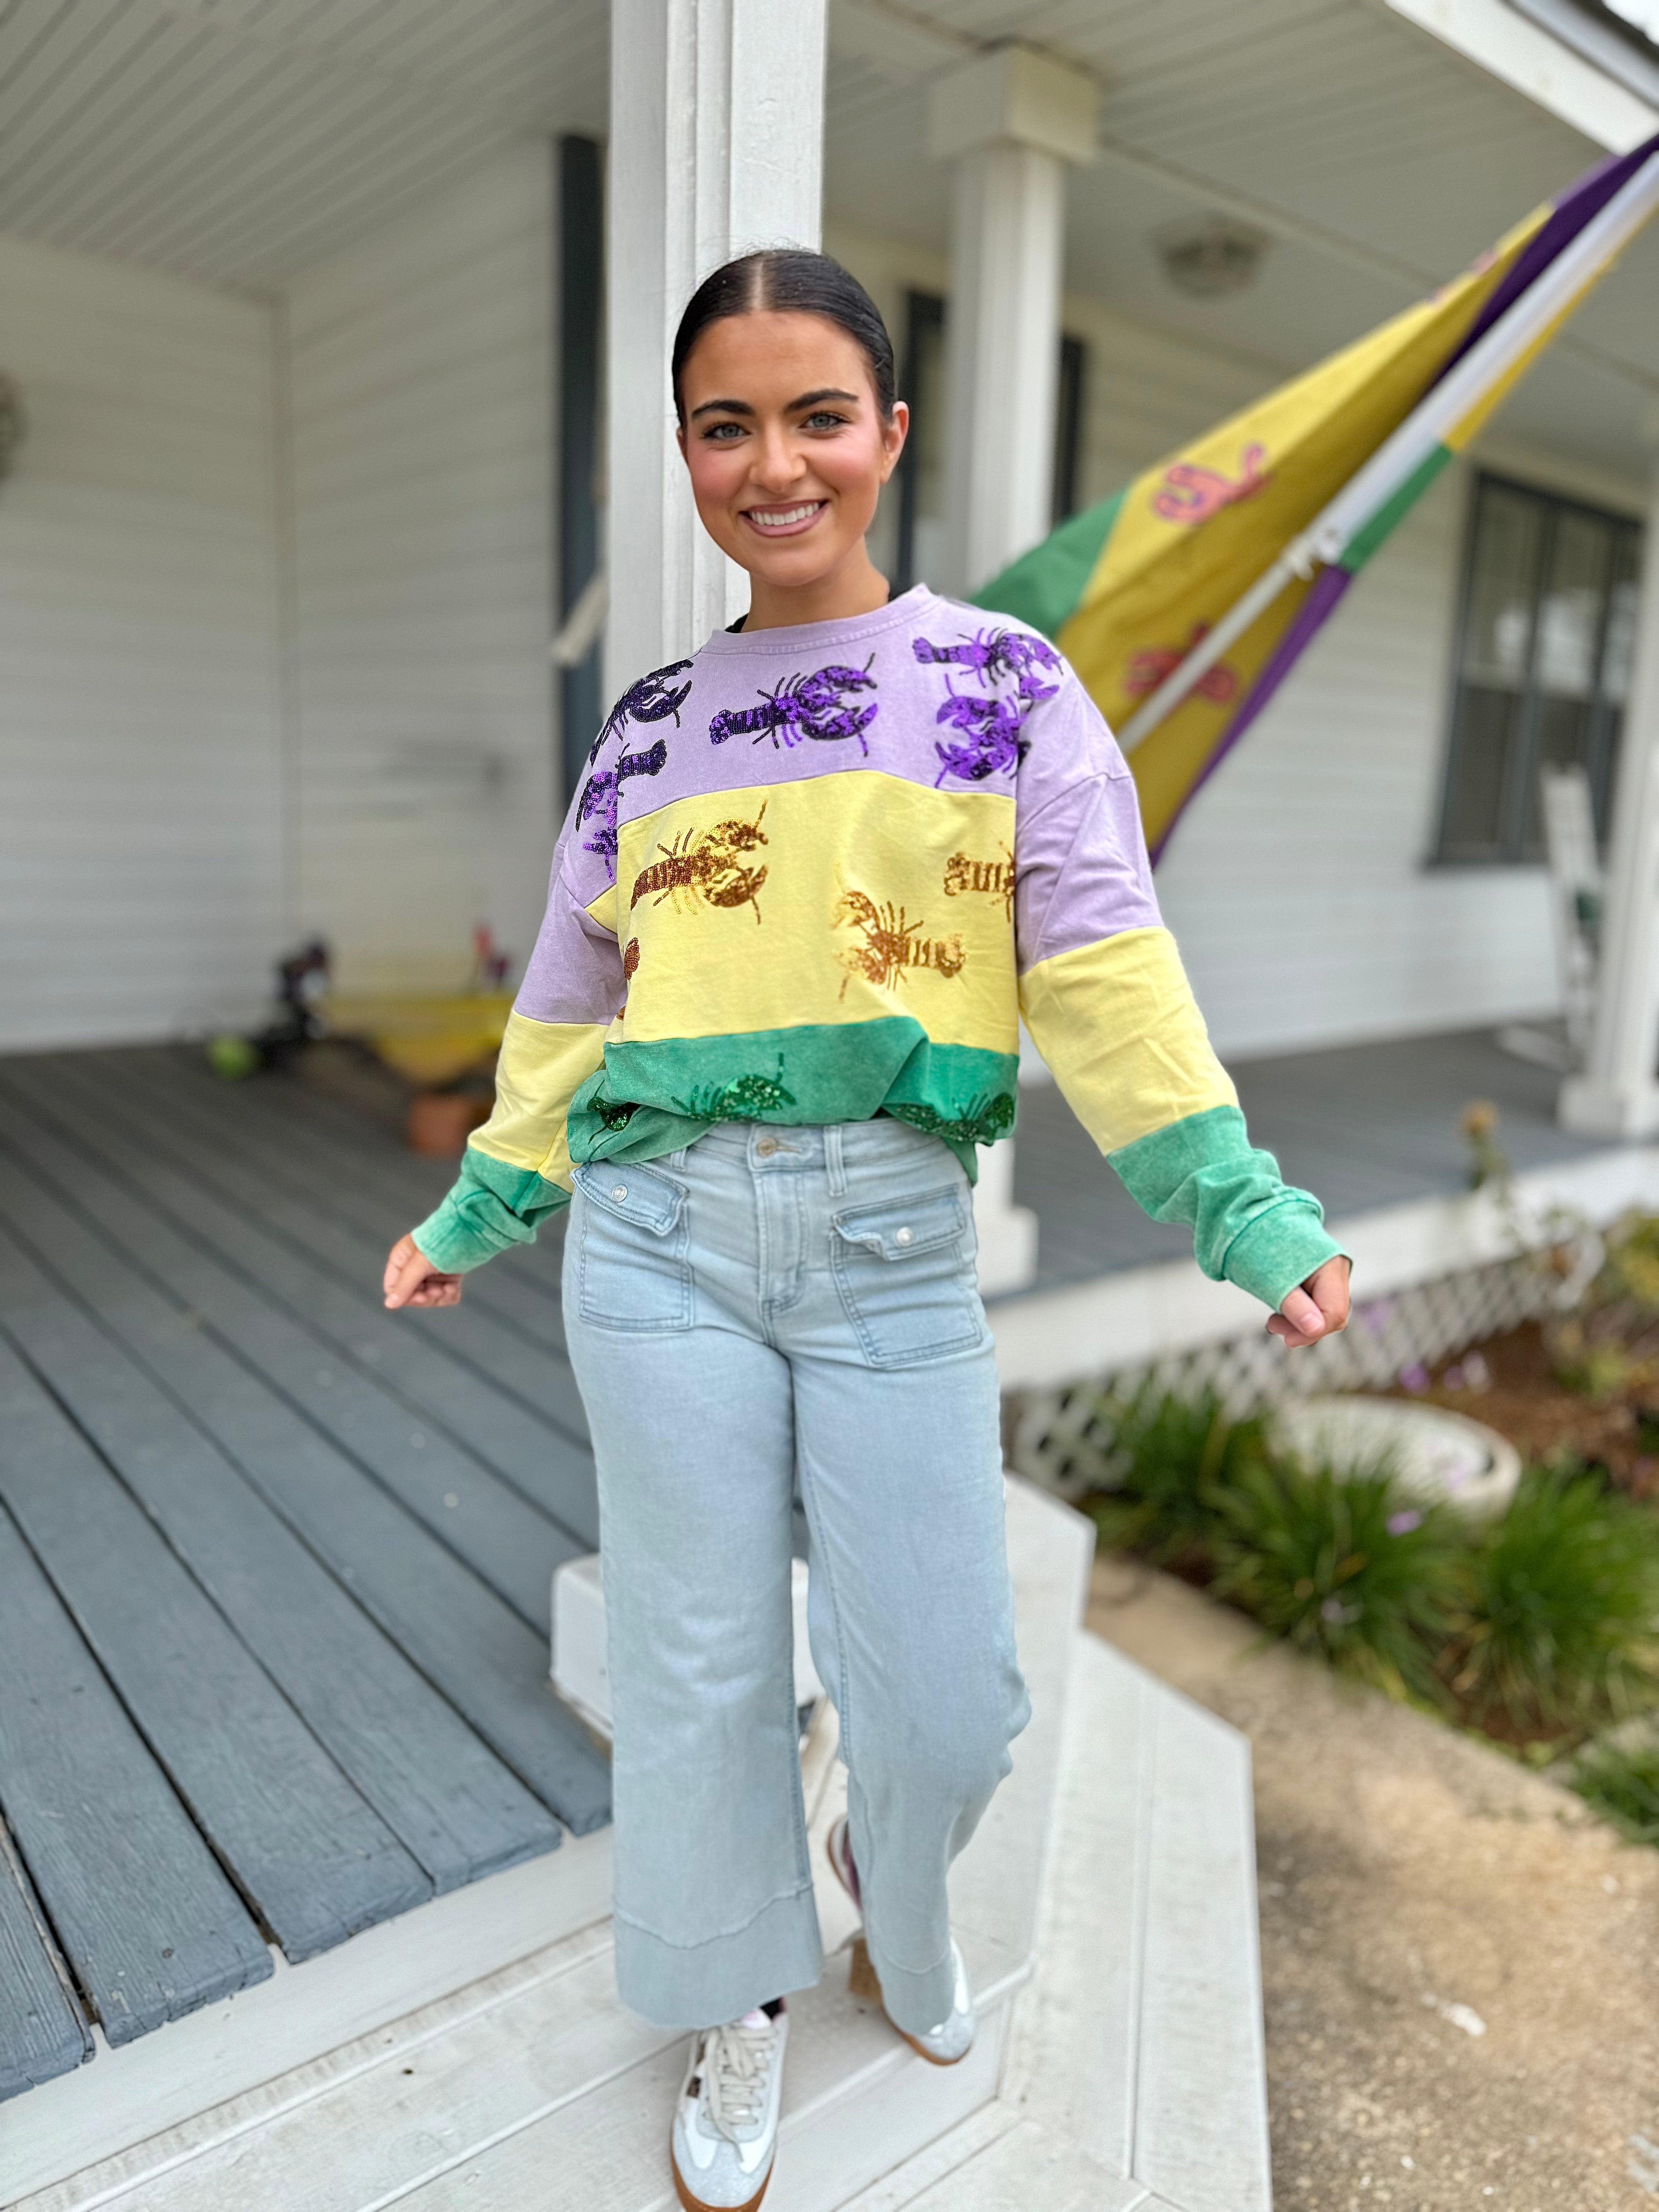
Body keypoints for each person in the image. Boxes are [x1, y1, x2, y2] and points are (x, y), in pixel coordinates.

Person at [382, 249, 1351, 2212]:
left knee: (948, 1701)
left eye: (818, 416)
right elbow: (570, 1002)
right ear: (686, 453)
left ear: (889, 434)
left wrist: (1237, 1206)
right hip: (657, 1248)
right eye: (725, 426)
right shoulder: (648, 729)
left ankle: (882, 1893)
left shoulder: (1004, 687)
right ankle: (733, 1992)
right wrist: (491, 1197)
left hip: (894, 1252)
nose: (776, 464)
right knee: (700, 1672)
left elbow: (1103, 972)